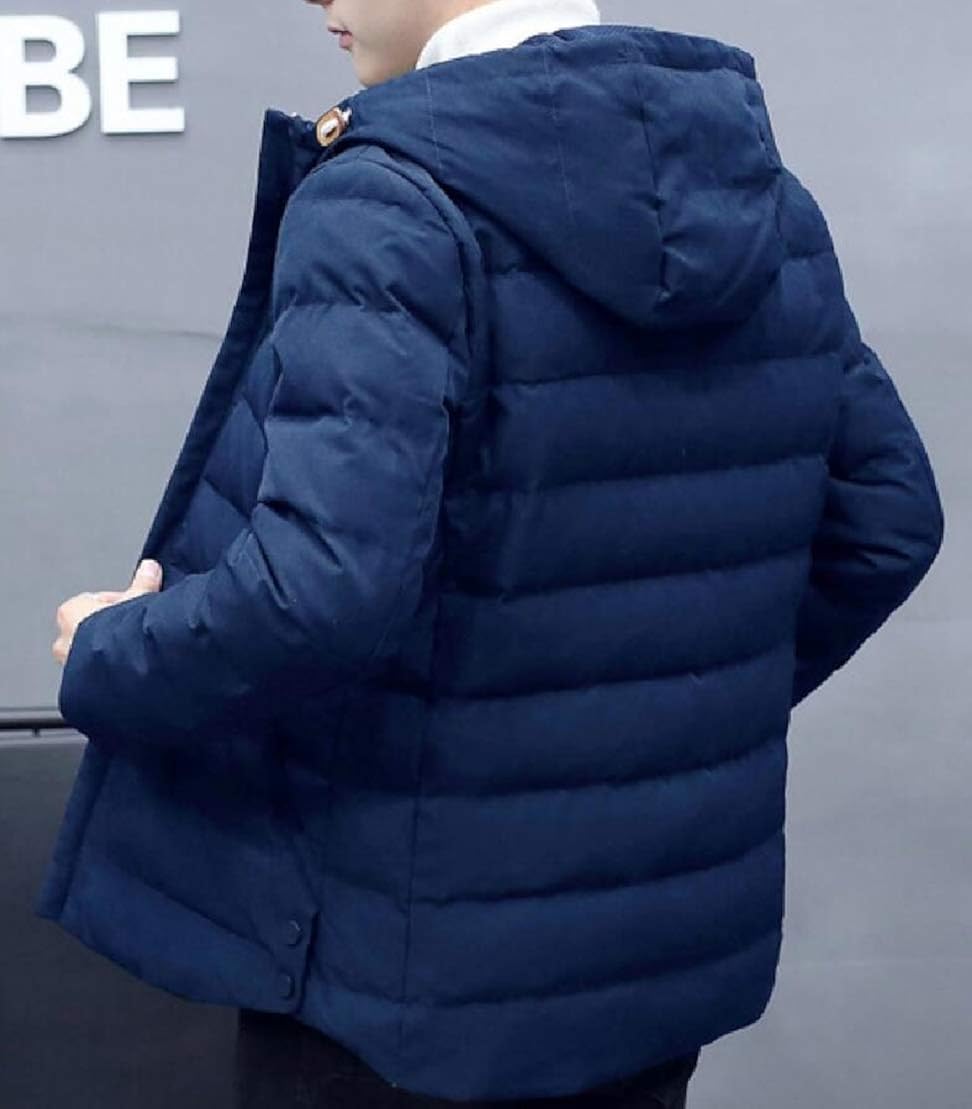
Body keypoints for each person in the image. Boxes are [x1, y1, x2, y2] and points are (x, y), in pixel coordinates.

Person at [41, 0, 944, 1106]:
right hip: (647, 964)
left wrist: (114, 650)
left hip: (403, 984)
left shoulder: (387, 200)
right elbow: (888, 514)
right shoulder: (762, 199)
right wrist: (662, 715)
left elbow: (321, 591)